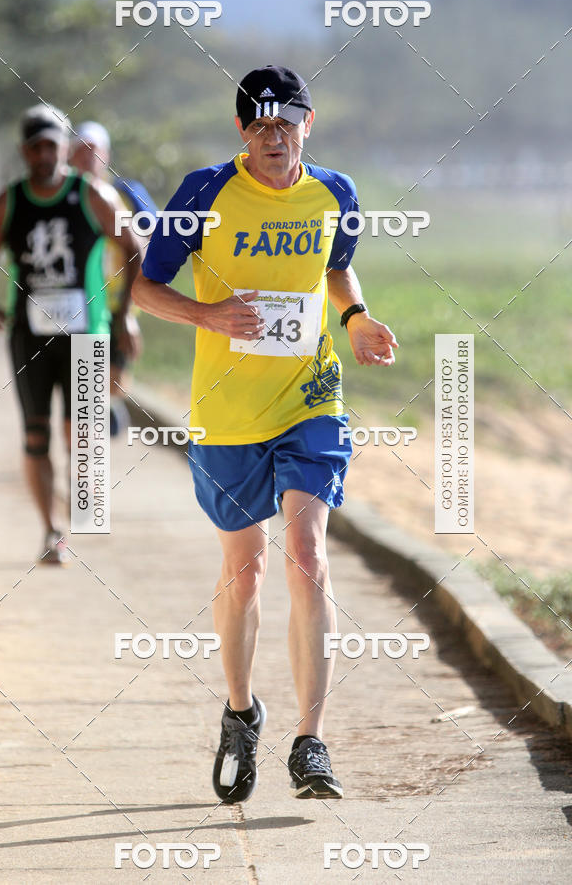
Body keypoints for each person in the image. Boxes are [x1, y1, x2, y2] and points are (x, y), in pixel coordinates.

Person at [132, 66, 398, 802]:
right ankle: (242, 711)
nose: (274, 138)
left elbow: (337, 269)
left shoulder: (336, 193)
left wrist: (356, 318)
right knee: (243, 571)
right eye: (260, 127)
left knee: (307, 556)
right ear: (242, 133)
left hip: (309, 398)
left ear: (307, 125)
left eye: (287, 125)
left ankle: (312, 742)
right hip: (226, 412)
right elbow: (141, 286)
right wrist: (207, 315)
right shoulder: (203, 192)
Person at [0, 104, 141, 562]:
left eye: (53, 144)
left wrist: (123, 313)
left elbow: (133, 250)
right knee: (35, 433)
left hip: (87, 333)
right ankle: (51, 530)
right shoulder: (9, 203)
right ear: (25, 151)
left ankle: (81, 509)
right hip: (29, 336)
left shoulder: (92, 196)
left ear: (65, 147)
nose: (45, 154)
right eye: (36, 146)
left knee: (81, 433)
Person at [69, 121, 156, 435]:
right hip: (79, 302)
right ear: (69, 155)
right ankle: (87, 436)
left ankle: (109, 404)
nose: (88, 158)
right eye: (80, 151)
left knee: (115, 373)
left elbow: (156, 235)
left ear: (106, 155)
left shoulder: (127, 193)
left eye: (94, 151)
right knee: (83, 382)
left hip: (121, 299)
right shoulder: (66, 195)